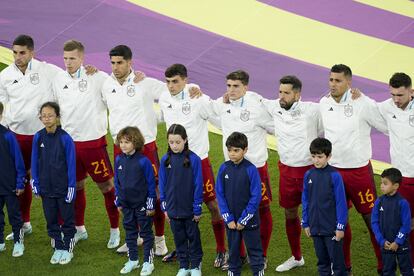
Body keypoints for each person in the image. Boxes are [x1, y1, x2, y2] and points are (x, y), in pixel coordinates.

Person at [101, 44, 169, 256]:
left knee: (155, 193)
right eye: (112, 63)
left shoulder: (145, 82)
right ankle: (136, 236)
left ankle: (159, 240)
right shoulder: (105, 84)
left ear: (130, 62)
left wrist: (193, 89)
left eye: (120, 62)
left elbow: (172, 92)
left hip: (146, 146)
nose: (115, 67)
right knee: (128, 192)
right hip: (119, 147)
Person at [319, 64, 387, 274]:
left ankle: (384, 266)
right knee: (338, 221)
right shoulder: (323, 103)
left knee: (372, 220)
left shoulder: (362, 103)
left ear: (349, 82)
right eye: (331, 80)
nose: (333, 84)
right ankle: (343, 267)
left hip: (359, 173)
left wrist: (366, 99)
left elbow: (384, 125)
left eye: (338, 80)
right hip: (334, 172)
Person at [52, 40, 120, 248]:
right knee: (76, 186)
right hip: (69, 144)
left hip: (93, 144)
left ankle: (115, 231)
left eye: (72, 58)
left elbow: (117, 94)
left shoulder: (98, 77)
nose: (68, 62)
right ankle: (80, 229)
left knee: (107, 187)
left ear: (82, 58)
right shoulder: (58, 79)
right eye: (65, 58)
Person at [158, 64, 227, 267]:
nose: (171, 86)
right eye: (168, 82)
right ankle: (182, 250)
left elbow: (219, 117)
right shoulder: (164, 98)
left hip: (199, 162)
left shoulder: (198, 98)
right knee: (176, 206)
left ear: (185, 80)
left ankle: (222, 249)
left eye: (175, 81)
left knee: (213, 205)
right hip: (174, 162)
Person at [0, 34, 62, 240]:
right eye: (15, 53)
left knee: (50, 180)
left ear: (32, 52)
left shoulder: (47, 70)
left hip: (43, 136)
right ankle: (24, 223)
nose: (18, 56)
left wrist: (88, 71)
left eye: (22, 53)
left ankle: (60, 226)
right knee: (20, 180)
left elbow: (70, 76)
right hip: (17, 136)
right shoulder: (6, 75)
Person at [211, 70, 274, 268]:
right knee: (234, 210)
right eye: (228, 85)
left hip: (255, 169)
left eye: (236, 86)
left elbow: (275, 126)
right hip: (231, 169)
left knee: (262, 210)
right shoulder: (223, 105)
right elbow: (205, 109)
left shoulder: (257, 106)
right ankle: (237, 256)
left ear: (246, 87)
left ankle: (261, 255)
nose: (231, 90)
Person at [262, 75, 322, 271]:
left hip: (310, 172)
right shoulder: (274, 107)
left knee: (320, 216)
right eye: (280, 92)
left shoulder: (312, 110)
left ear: (297, 94)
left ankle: (329, 261)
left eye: (286, 93)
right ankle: (297, 257)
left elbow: (329, 123)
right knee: (289, 212)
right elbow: (253, 100)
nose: (281, 96)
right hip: (286, 171)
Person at [31, 102, 76, 265]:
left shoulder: (65, 138)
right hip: (46, 188)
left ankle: (68, 249)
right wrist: (34, 181)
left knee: (68, 220)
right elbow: (34, 161)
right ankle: (58, 247)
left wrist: (71, 187)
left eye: (50, 115)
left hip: (63, 188)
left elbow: (71, 164)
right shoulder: (38, 136)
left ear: (57, 117)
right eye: (44, 115)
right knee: (51, 220)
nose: (47, 118)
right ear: (40, 117)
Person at [377, 73, 414, 266]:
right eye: (393, 95)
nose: (396, 99)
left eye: (400, 95)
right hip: (403, 179)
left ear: (411, 91)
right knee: (406, 224)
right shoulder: (387, 106)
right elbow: (368, 109)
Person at [215, 132, 264, 276]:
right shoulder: (224, 168)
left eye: (236, 150)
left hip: (249, 222)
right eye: (229, 150)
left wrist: (243, 219)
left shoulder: (251, 170)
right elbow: (220, 195)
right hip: (231, 223)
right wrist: (228, 218)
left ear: (245, 150)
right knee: (234, 254)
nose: (232, 154)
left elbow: (256, 197)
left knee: (255, 253)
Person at [159, 124, 203, 276]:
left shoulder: (194, 159)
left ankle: (196, 265)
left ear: (185, 140)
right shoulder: (165, 160)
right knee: (179, 238)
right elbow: (162, 185)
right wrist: (165, 209)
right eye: (171, 142)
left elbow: (198, 185)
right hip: (173, 210)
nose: (174, 145)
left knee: (193, 238)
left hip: (190, 210)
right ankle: (184, 265)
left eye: (178, 142)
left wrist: (197, 208)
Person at [302, 137, 348, 276]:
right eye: (313, 156)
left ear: (328, 156)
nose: (316, 160)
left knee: (338, 265)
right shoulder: (308, 174)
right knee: (322, 263)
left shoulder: (335, 176)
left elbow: (341, 203)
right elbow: (305, 200)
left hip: (332, 229)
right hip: (315, 228)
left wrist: (340, 227)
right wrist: (306, 223)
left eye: (320, 157)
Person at [114, 127, 156, 275]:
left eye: (127, 142)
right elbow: (117, 182)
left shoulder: (144, 161)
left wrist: (150, 205)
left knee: (146, 234)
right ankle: (133, 260)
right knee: (130, 233)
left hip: (142, 206)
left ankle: (148, 262)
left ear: (136, 142)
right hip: (126, 205)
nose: (123, 145)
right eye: (121, 142)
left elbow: (151, 184)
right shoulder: (118, 159)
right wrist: (118, 201)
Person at [371, 168, 413, 276]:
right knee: (388, 271)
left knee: (407, 271)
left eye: (385, 183)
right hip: (386, 245)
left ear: (396, 186)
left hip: (402, 245)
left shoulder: (403, 203)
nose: (381, 186)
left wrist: (397, 241)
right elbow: (374, 223)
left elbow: (406, 225)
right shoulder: (379, 202)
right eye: (381, 183)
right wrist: (381, 240)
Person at [0, 101, 26, 257]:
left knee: (15, 216)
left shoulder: (8, 135)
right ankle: (1, 242)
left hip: (9, 185)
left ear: (1, 115)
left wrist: (19, 182)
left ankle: (18, 242)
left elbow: (18, 161)